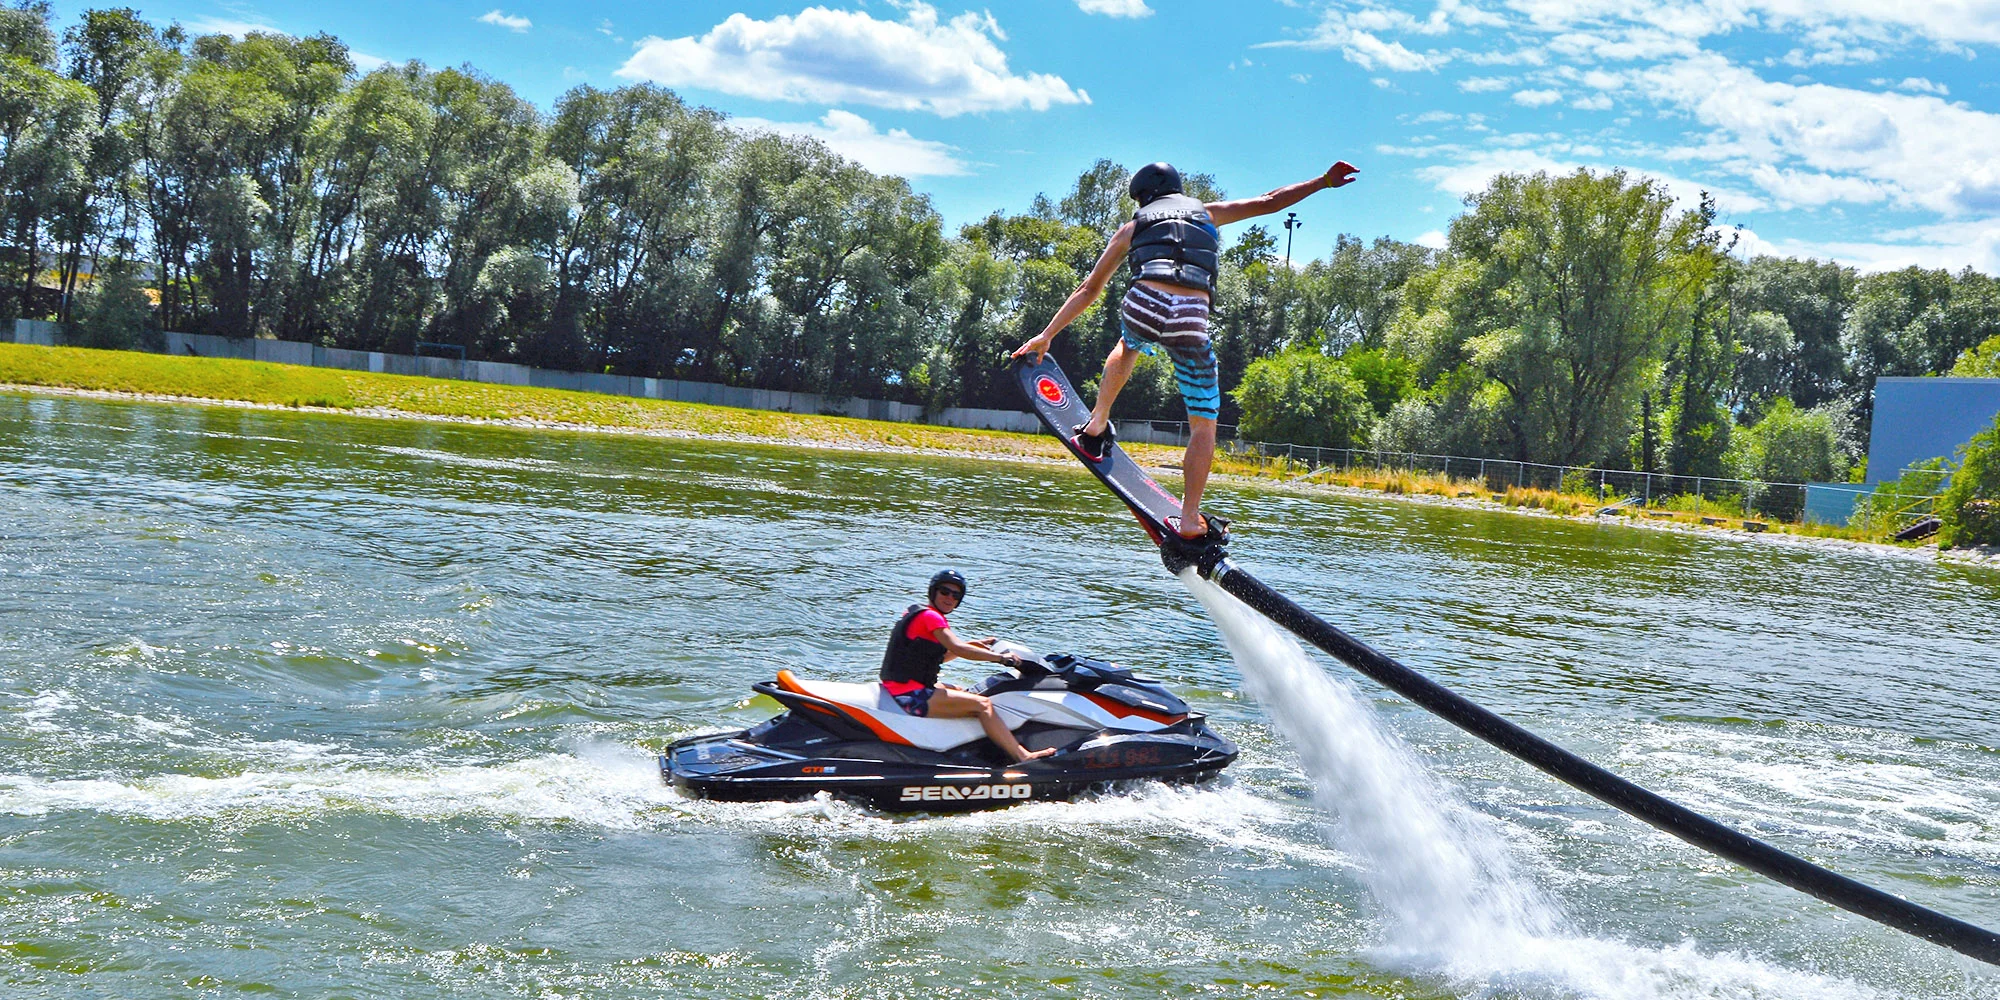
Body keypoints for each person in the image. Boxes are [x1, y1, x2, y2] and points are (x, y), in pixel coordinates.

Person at [1012, 159, 1360, 547]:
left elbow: (1088, 289)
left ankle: (1096, 425)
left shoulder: (1132, 228)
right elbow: (1271, 201)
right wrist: (1323, 181)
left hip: (1145, 301)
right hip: (1191, 318)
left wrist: (1047, 335)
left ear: (1143, 198)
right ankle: (1190, 518)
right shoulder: (1208, 213)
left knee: (1129, 344)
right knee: (1203, 425)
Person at [880, 569, 1056, 762]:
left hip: (901, 688)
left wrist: (972, 644)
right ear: (934, 591)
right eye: (945, 592)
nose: (949, 598)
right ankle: (1023, 755)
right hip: (910, 695)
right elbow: (957, 647)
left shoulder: (917, 611)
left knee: (962, 691)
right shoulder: (932, 618)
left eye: (956, 595)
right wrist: (1001, 659)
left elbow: (938, 657)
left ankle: (962, 748)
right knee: (983, 705)